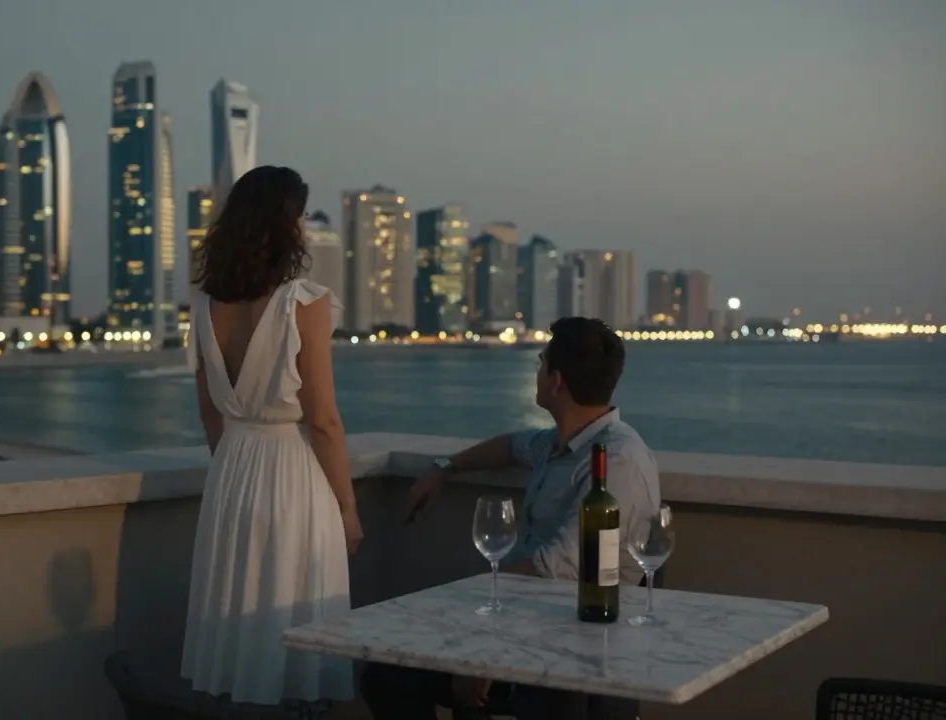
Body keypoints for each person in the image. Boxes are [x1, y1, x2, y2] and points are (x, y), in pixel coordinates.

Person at [361, 316, 661, 720]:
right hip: (527, 624)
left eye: (541, 363)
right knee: (384, 675)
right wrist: (445, 467)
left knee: (397, 675)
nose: (537, 373)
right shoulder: (561, 444)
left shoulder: (617, 461)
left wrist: (480, 650)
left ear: (555, 381)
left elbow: (553, 573)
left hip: (569, 645)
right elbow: (511, 447)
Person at [180, 165, 361, 708]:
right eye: (301, 216)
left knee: (240, 622)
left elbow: (210, 414)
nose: (305, 227)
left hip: (232, 472)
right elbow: (324, 419)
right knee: (296, 620)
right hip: (291, 475)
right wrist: (348, 508)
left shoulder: (206, 306)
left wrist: (234, 469)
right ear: (285, 226)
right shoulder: (303, 302)